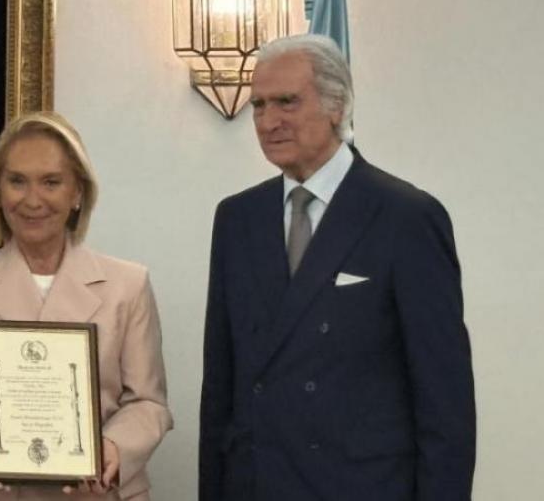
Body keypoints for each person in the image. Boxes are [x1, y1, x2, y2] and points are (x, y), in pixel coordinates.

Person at [198, 34, 476, 500]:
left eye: (287, 101)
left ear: (337, 105)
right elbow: (220, 389)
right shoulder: (237, 218)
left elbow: (444, 402)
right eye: (259, 105)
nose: (268, 121)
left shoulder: (405, 217)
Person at [0, 111, 173, 500]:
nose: (32, 200)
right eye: (17, 181)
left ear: (77, 193)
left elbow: (148, 403)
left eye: (51, 182)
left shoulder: (128, 285)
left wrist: (113, 447)